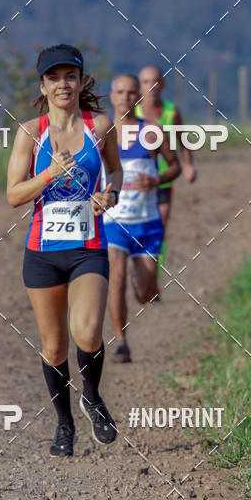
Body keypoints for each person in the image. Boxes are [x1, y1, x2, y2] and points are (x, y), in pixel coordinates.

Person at [7, 44, 123, 457]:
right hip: (42, 253)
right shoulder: (29, 133)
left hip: (89, 247)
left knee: (88, 331)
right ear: (43, 85)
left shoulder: (101, 126)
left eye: (69, 76)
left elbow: (116, 173)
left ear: (80, 81)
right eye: (54, 78)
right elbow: (13, 195)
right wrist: (49, 174)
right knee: (54, 346)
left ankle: (91, 397)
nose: (63, 84)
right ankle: (64, 423)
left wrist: (110, 195)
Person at [104, 74, 181, 363]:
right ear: (111, 96)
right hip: (114, 222)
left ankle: (144, 287)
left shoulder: (151, 131)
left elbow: (174, 166)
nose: (125, 97)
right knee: (117, 278)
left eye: (131, 93)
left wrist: (157, 179)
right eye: (120, 92)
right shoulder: (101, 131)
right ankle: (121, 342)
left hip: (147, 223)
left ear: (138, 98)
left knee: (146, 294)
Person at [135, 65, 196, 278]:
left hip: (164, 180)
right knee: (136, 229)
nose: (151, 86)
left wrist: (187, 165)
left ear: (163, 84)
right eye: (145, 81)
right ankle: (137, 272)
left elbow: (184, 141)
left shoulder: (171, 111)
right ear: (139, 86)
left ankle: (153, 281)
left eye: (155, 81)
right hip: (136, 182)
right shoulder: (131, 113)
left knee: (158, 231)